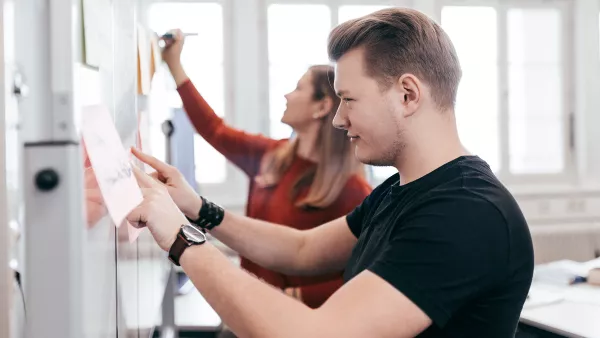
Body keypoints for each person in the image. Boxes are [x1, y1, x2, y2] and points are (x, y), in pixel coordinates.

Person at [128, 8, 534, 337]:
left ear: (407, 94)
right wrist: (197, 208)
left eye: (348, 99)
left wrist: (181, 239)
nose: (339, 120)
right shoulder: (401, 190)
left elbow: (320, 332)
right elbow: (301, 250)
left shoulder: (465, 214)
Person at [160, 30, 372, 309]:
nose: (286, 94)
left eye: (298, 88)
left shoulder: (351, 190)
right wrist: (175, 66)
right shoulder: (271, 155)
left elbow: (366, 274)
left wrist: (296, 297)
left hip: (292, 322)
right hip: (246, 310)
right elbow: (213, 129)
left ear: (321, 106)